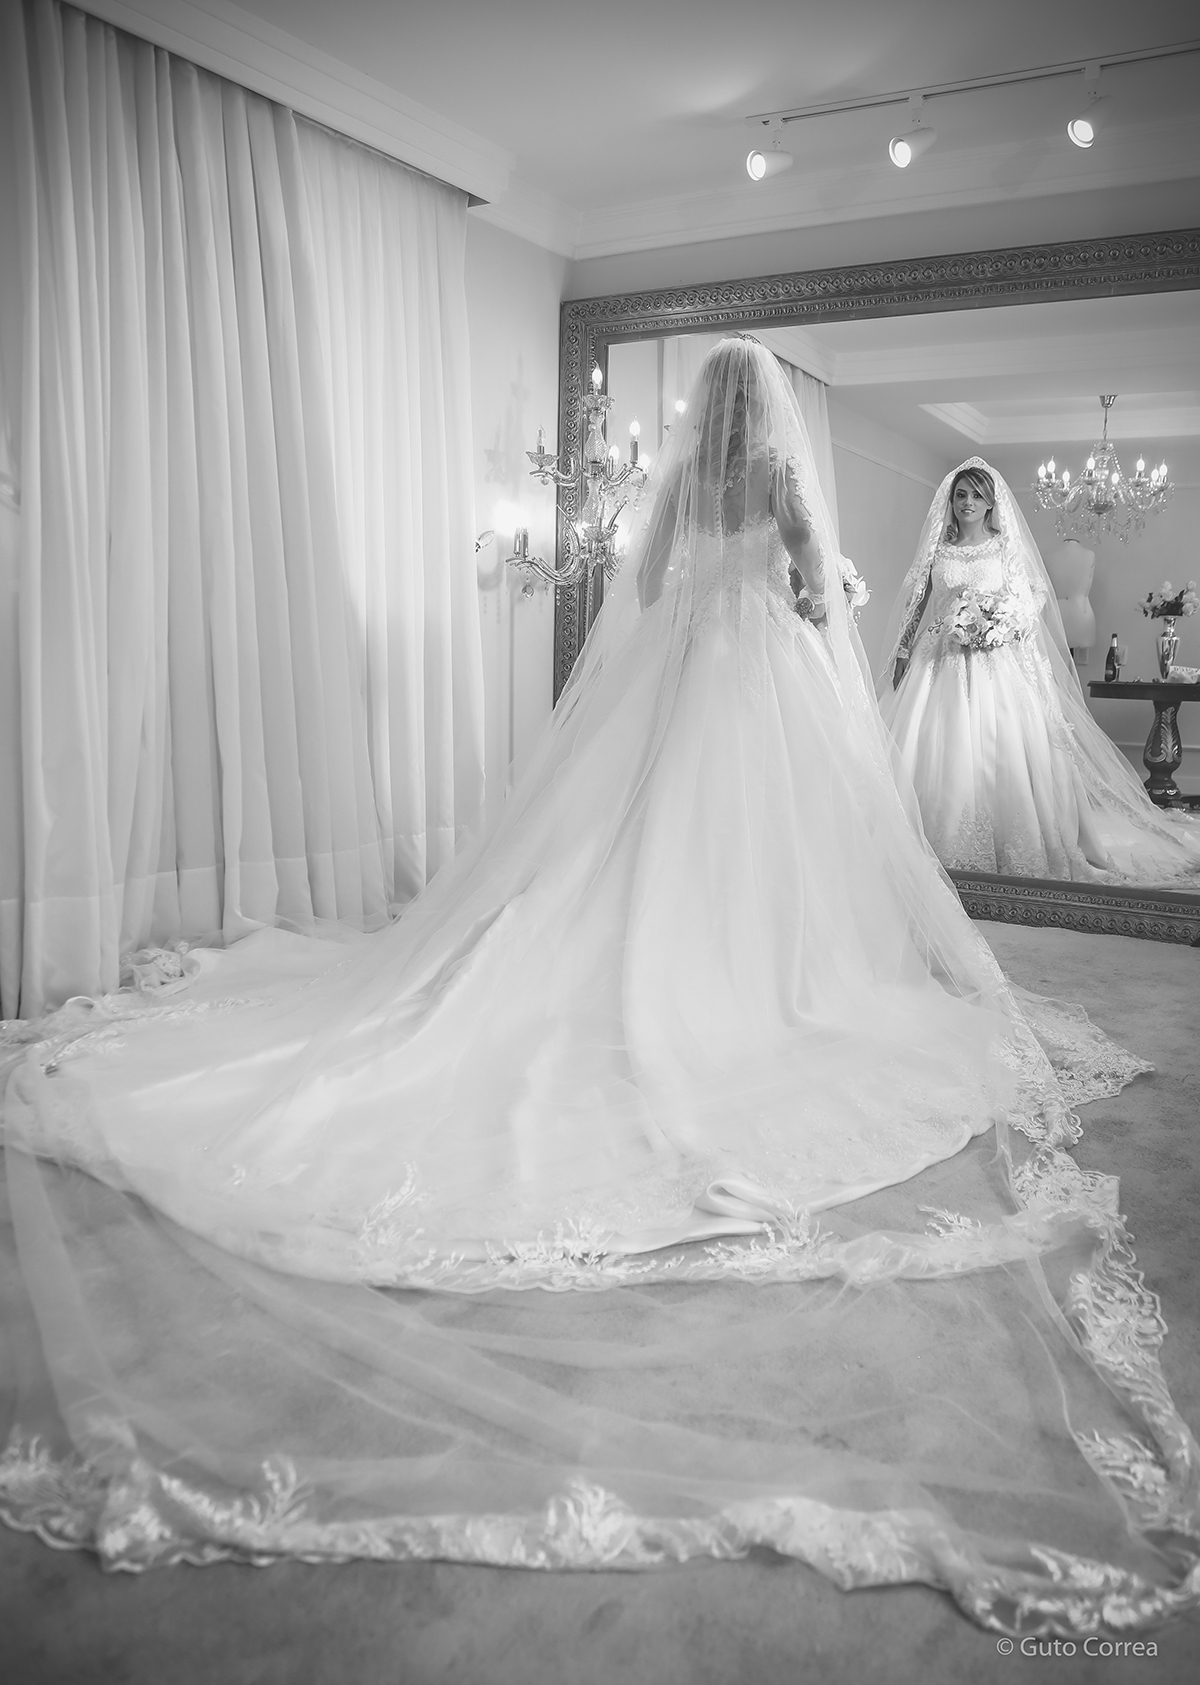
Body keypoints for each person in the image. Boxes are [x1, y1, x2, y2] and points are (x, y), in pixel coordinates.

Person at [1, 343, 1196, 1635]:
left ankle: (647, 956)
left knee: (631, 842)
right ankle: (743, 974)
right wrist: (814, 597)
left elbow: (649, 583)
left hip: (681, 680)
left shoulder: (687, 487)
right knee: (764, 855)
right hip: (759, 684)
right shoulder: (781, 481)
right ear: (768, 408)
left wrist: (724, 604)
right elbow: (814, 593)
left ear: (707, 410)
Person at [879, 459, 1200, 882]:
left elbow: (1033, 595)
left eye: (976, 495)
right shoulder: (939, 549)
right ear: (951, 501)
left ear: (991, 502)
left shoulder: (1004, 547)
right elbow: (917, 601)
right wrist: (903, 648)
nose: (967, 502)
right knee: (934, 744)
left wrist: (1001, 621)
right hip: (940, 657)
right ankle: (923, 840)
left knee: (1000, 747)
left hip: (995, 658)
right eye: (961, 495)